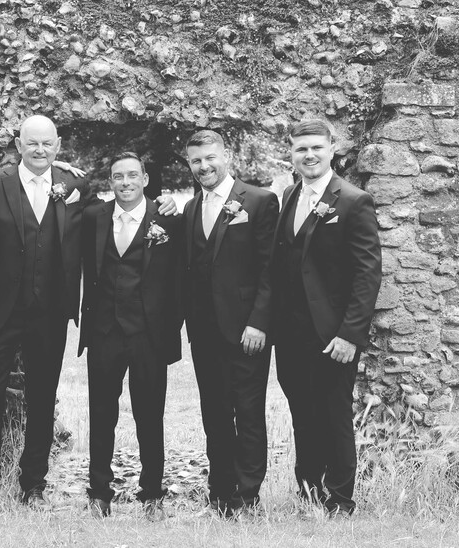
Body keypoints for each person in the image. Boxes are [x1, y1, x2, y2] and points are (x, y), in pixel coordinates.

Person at [0, 116, 176, 510]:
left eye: (47, 143)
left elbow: (114, 214)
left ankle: (33, 485)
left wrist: (167, 202)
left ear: (57, 146)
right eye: (32, 143)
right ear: (18, 144)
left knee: (42, 399)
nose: (40, 150)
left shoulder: (74, 186)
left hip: (50, 314)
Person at [272, 119, 382, 516]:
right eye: (301, 149)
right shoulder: (289, 195)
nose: (309, 155)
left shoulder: (354, 200)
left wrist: (350, 334)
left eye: (316, 147)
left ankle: (339, 498)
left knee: (334, 413)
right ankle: (309, 492)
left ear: (332, 148)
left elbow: (367, 274)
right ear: (292, 153)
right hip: (291, 333)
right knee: (302, 412)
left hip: (334, 335)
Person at [78, 152, 183, 520]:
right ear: (110, 181)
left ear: (145, 179)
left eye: (132, 176)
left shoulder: (169, 217)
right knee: (101, 414)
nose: (125, 183)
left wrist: (172, 327)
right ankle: (99, 492)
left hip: (148, 334)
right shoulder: (95, 216)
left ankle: (152, 493)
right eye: (118, 176)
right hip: (104, 331)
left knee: (149, 415)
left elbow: (180, 279)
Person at [181, 130, 279, 517]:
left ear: (226, 156)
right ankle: (220, 491)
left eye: (210, 158)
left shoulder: (257, 201)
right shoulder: (190, 208)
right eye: (195, 161)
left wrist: (259, 322)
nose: (203, 166)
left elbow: (271, 269)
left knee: (249, 412)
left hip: (246, 332)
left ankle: (248, 494)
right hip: (204, 333)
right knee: (215, 413)